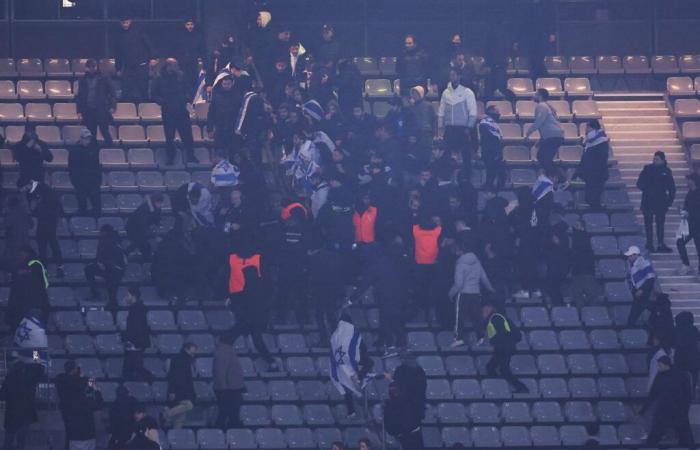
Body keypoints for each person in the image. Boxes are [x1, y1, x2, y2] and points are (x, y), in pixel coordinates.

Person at [227, 244, 279, 371]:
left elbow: (241, 299)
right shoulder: (265, 285)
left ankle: (224, 355)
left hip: (249, 318)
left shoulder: (249, 287)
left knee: (229, 337)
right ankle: (272, 363)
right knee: (257, 340)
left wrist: (232, 301)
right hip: (259, 318)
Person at [448, 240, 494, 347]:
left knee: (460, 317)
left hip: (463, 294)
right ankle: (481, 337)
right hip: (476, 293)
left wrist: (451, 293)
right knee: (476, 317)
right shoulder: (477, 262)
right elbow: (484, 278)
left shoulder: (460, 263)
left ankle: (458, 338)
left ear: (460, 251)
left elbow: (459, 283)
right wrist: (491, 289)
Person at [640, 356, 694, 447]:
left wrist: (685, 408)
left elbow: (687, 394)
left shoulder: (680, 375)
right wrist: (643, 409)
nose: (658, 367)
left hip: (677, 410)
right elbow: (653, 394)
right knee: (656, 433)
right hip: (665, 409)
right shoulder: (661, 376)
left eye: (660, 365)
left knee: (684, 434)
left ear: (666, 365)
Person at [151, 58, 197, 165]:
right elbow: (153, 94)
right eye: (175, 65)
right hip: (168, 111)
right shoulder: (159, 78)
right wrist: (163, 102)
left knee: (187, 135)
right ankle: (170, 158)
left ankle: (191, 156)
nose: (177, 67)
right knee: (169, 137)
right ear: (169, 66)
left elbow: (188, 89)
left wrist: (186, 98)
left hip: (181, 110)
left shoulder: (181, 77)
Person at [330, 315, 374, 418]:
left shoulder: (336, 335)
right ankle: (359, 376)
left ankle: (351, 410)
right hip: (349, 361)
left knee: (345, 384)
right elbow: (363, 347)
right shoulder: (350, 332)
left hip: (344, 363)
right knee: (369, 362)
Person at [55, 360, 104, 450]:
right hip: (86, 434)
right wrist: (96, 389)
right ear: (74, 370)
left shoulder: (61, 381)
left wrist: (84, 382)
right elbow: (99, 404)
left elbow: (78, 383)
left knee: (69, 434)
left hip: (68, 414)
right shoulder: (86, 399)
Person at [384, 352, 426, 450]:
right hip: (414, 420)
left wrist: (392, 381)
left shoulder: (403, 371)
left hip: (405, 423)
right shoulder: (419, 371)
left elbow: (401, 392)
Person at [483, 303, 528, 393]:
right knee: (495, 368)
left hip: (502, 348)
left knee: (498, 369)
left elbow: (501, 334)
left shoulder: (495, 319)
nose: (482, 313)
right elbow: (517, 335)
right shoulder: (501, 318)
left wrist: (497, 344)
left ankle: (521, 388)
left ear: (490, 309)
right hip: (505, 348)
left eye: (484, 311)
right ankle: (515, 388)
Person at [637, 151, 676, 253]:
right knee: (648, 224)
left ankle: (660, 244)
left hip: (660, 202)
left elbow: (671, 188)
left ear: (663, 160)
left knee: (660, 224)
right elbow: (639, 183)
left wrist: (669, 202)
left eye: (657, 159)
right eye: (654, 159)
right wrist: (648, 189)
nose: (654, 161)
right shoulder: (647, 169)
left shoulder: (666, 171)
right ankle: (649, 243)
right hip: (648, 201)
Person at [0, 360, 44, 450]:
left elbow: (2, 396)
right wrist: (32, 361)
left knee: (8, 440)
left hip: (12, 414)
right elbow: (40, 369)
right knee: (21, 441)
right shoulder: (29, 379)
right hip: (25, 413)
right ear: (24, 369)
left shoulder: (9, 379)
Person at [438, 68, 477, 168]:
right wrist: (440, 128)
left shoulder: (467, 92)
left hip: (462, 129)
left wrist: (469, 127)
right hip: (449, 128)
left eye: (454, 75)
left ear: (459, 76)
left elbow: (472, 111)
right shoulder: (445, 93)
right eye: (450, 75)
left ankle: (466, 178)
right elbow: (441, 111)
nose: (452, 77)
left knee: (466, 157)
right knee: (446, 156)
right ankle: (446, 179)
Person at [7, 245, 50, 329]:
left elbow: (40, 280)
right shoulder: (22, 265)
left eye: (22, 255)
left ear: (28, 254)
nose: (20, 257)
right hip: (27, 299)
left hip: (36, 299)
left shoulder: (36, 264)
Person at [27, 181, 64, 277]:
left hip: (46, 223)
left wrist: (36, 209)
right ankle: (58, 267)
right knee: (49, 246)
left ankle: (50, 268)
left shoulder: (43, 193)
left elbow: (38, 210)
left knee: (45, 247)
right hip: (48, 223)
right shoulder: (47, 192)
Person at [76, 59, 116, 146]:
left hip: (101, 110)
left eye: (93, 67)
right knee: (91, 134)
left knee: (104, 131)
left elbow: (113, 93)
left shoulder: (104, 78)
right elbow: (79, 96)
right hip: (88, 111)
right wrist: (79, 110)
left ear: (96, 67)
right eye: (90, 67)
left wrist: (112, 106)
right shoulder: (82, 80)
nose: (92, 69)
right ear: (87, 68)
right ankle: (93, 154)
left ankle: (112, 150)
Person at [115, 17, 155, 102]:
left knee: (143, 90)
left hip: (141, 65)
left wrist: (153, 57)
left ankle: (146, 112)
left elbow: (149, 45)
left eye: (126, 22)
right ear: (120, 23)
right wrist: (118, 68)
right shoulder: (119, 35)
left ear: (130, 21)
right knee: (125, 90)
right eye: (123, 23)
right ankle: (126, 111)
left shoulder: (139, 32)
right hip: (128, 67)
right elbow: (118, 54)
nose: (125, 25)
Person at [84, 224, 126, 306]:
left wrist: (104, 264)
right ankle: (95, 293)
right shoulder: (102, 241)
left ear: (105, 233)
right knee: (88, 269)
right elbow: (99, 256)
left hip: (116, 271)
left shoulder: (115, 243)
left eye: (101, 232)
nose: (99, 234)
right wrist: (98, 263)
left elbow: (117, 262)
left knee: (112, 290)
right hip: (105, 267)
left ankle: (113, 305)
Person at [525, 88, 564, 174]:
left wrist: (528, 133)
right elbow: (546, 125)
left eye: (536, 94)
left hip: (553, 137)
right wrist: (541, 139)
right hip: (556, 136)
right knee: (546, 159)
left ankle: (561, 179)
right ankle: (555, 178)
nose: (534, 96)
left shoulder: (541, 106)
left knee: (542, 157)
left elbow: (539, 122)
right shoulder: (547, 106)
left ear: (540, 96)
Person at [573, 119, 609, 210]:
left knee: (593, 198)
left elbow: (589, 159)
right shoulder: (592, 142)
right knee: (590, 198)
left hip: (597, 174)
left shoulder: (600, 142)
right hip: (593, 174)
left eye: (587, 127)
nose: (586, 130)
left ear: (592, 128)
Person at [213, 332, 245, 428]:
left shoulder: (224, 350)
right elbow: (220, 371)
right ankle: (223, 429)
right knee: (227, 411)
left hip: (230, 387)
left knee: (229, 412)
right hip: (229, 388)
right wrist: (223, 388)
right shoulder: (224, 351)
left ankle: (230, 428)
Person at [161, 342, 197, 429]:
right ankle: (165, 415)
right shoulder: (180, 360)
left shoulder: (183, 359)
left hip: (182, 391)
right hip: (179, 392)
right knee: (188, 406)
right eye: (193, 349)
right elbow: (173, 376)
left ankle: (176, 436)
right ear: (186, 349)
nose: (194, 352)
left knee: (180, 418)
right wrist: (172, 391)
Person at [68, 127, 102, 216]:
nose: (88, 140)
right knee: (82, 201)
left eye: (89, 138)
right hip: (80, 180)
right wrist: (74, 180)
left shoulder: (93, 149)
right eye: (86, 138)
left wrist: (98, 178)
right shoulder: (74, 150)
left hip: (92, 179)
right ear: (81, 138)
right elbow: (71, 167)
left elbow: (96, 165)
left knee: (95, 202)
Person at [123, 287, 153, 381]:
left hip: (135, 344)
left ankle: (151, 379)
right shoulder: (139, 308)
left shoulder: (136, 310)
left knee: (135, 367)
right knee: (131, 368)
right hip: (136, 343)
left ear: (133, 296)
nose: (126, 297)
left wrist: (133, 343)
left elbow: (137, 328)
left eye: (128, 295)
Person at [624, 245, 657, 326]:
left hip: (645, 293)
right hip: (641, 293)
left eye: (630, 256)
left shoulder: (643, 262)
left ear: (635, 255)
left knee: (633, 316)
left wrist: (642, 290)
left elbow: (651, 278)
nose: (628, 258)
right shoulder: (635, 264)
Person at [125, 194, 164, 260]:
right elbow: (142, 224)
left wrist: (156, 215)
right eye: (158, 202)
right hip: (133, 228)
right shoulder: (143, 209)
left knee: (146, 247)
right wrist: (154, 236)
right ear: (153, 202)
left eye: (161, 202)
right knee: (138, 242)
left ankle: (146, 260)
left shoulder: (158, 209)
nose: (160, 204)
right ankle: (124, 255)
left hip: (144, 229)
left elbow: (157, 220)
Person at [677, 173, 700, 276]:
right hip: (690, 225)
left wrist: (689, 213)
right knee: (680, 241)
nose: (686, 182)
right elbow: (687, 206)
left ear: (693, 180)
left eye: (688, 180)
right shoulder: (690, 193)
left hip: (698, 225)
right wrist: (683, 211)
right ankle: (686, 264)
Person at [177, 19, 207, 98]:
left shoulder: (198, 36)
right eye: (188, 24)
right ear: (185, 25)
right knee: (183, 81)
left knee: (194, 81)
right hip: (183, 63)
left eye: (191, 24)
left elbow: (203, 50)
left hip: (194, 63)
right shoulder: (180, 36)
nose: (190, 26)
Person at [479, 105, 506, 190]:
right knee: (492, 171)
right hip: (490, 151)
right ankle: (490, 188)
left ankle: (492, 187)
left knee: (495, 172)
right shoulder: (485, 123)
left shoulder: (492, 123)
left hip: (493, 151)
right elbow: (493, 139)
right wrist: (495, 152)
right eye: (497, 112)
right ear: (491, 112)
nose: (499, 114)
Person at [2, 194, 31, 268]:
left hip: (13, 241)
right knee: (23, 260)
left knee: (12, 260)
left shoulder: (11, 213)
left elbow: (5, 225)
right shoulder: (24, 212)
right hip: (25, 239)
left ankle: (12, 276)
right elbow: (31, 224)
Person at [674, 311, 700, 389]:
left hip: (680, 358)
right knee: (694, 376)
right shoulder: (693, 329)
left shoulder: (676, 330)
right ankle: (693, 391)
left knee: (680, 377)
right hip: (693, 358)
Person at [108, 385, 138, 450]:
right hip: (129, 434)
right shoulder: (133, 401)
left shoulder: (114, 405)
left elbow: (112, 423)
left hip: (120, 436)